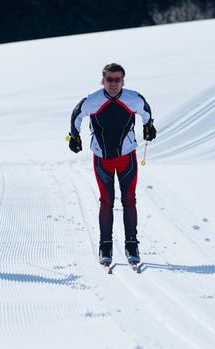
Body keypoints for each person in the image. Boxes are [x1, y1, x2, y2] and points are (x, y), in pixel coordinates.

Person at [68, 63, 156, 266]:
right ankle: (105, 246)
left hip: (127, 157)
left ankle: (131, 245)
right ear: (103, 80)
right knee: (106, 202)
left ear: (123, 81)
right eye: (110, 79)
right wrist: (74, 136)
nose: (114, 84)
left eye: (118, 80)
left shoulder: (133, 98)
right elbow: (76, 115)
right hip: (102, 158)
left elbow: (146, 111)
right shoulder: (93, 101)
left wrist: (149, 126)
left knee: (129, 201)